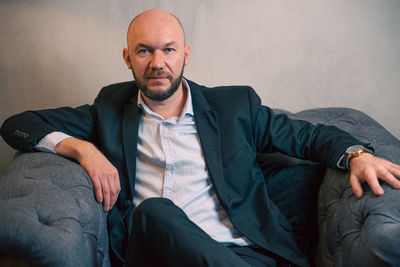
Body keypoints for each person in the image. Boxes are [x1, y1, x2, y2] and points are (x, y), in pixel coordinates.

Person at [1, 8, 400, 267]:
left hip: (245, 255)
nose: (158, 63)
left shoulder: (233, 107)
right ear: (127, 58)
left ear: (185, 54)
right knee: (154, 210)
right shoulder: (107, 108)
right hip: (154, 251)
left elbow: (308, 137)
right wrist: (81, 148)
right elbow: (17, 123)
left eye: (168, 50)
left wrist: (357, 154)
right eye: (144, 51)